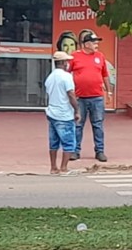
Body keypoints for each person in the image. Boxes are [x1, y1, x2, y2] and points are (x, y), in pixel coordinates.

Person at [69, 32, 111, 162]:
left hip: (97, 97)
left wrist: (109, 92)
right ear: (86, 44)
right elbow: (67, 73)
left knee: (98, 125)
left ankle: (100, 151)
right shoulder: (74, 56)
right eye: (94, 42)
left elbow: (105, 75)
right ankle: (75, 151)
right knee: (78, 124)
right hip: (80, 97)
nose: (96, 45)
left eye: (97, 42)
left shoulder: (100, 56)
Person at [45, 51, 80, 175]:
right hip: (64, 114)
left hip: (52, 112)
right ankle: (63, 168)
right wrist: (76, 110)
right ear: (64, 63)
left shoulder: (50, 77)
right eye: (67, 61)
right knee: (69, 142)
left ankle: (53, 167)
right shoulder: (66, 77)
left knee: (53, 142)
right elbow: (71, 94)